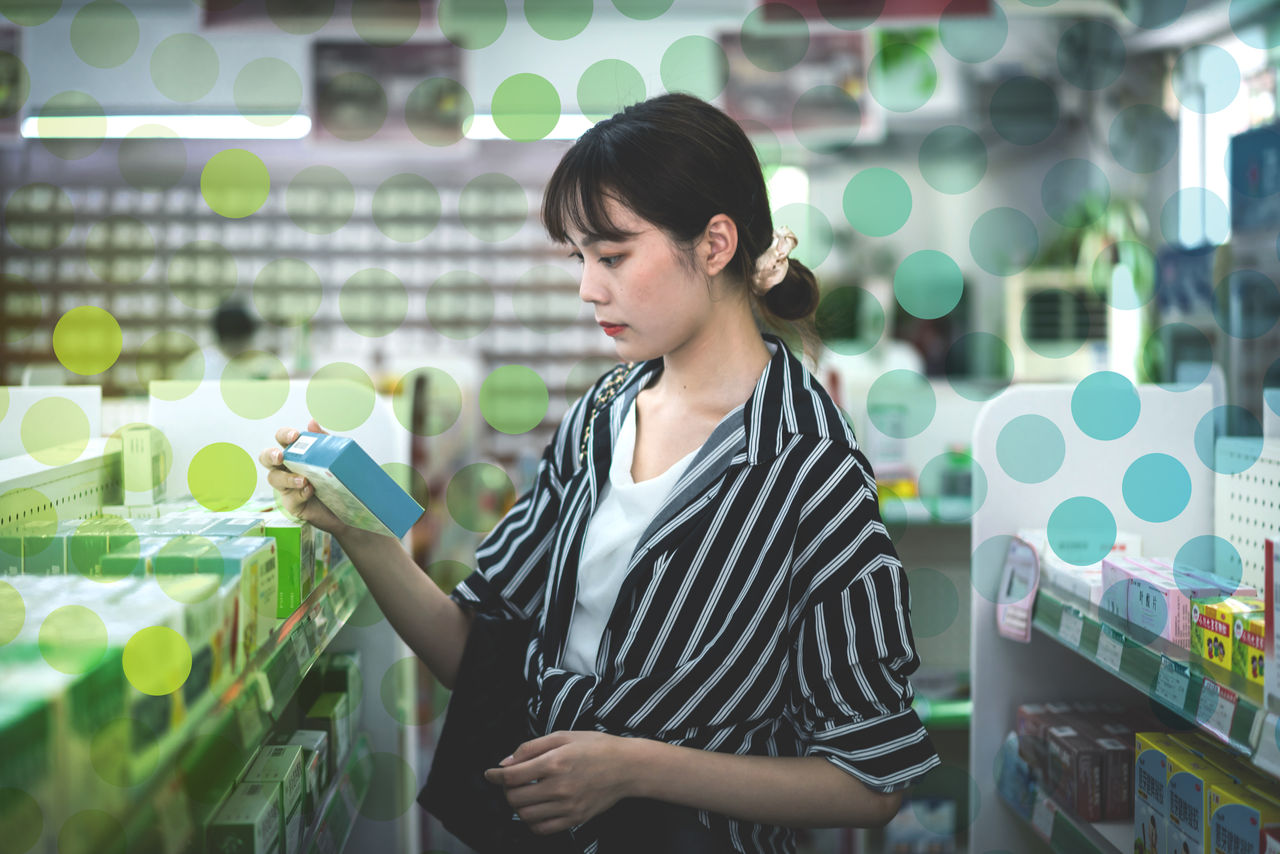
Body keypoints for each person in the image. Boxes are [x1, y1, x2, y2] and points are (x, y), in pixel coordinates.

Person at [260, 93, 939, 854]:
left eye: (612, 256)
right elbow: (477, 657)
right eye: (579, 257)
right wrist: (359, 530)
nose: (588, 287)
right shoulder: (602, 416)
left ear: (716, 244)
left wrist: (634, 768)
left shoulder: (811, 466)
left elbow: (872, 781)